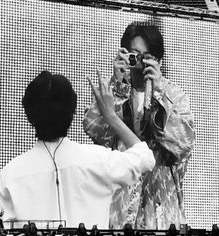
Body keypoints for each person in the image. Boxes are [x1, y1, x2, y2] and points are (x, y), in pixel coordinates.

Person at [0, 70, 155, 229]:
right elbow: (145, 157)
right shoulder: (99, 161)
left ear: (28, 113)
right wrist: (110, 115)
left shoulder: (9, 175)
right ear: (73, 111)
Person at [83, 21, 195, 229]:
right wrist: (119, 89)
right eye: (135, 56)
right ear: (124, 54)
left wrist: (159, 91)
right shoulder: (112, 89)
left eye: (148, 57)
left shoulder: (174, 95)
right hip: (122, 205)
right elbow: (96, 133)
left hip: (160, 204)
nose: (141, 63)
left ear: (159, 60)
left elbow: (183, 145)